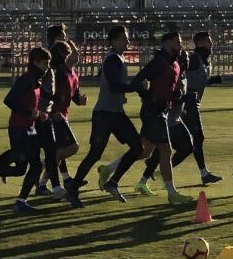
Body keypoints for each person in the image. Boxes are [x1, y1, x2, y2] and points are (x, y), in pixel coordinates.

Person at [103, 31, 194, 205]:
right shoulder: (159, 62)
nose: (179, 44)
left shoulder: (173, 63)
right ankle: (171, 192)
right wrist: (148, 95)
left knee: (145, 151)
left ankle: (110, 172)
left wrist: (177, 97)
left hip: (160, 111)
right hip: (153, 111)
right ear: (166, 43)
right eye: (176, 41)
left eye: (180, 41)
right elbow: (138, 81)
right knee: (166, 151)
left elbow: (170, 88)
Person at [65, 25, 147, 209]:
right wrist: (136, 87)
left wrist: (123, 94)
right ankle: (74, 188)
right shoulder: (113, 60)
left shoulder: (117, 58)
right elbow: (114, 86)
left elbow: (110, 83)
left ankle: (112, 182)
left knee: (137, 147)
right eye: (124, 38)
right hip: (105, 114)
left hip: (114, 112)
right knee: (95, 154)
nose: (127, 41)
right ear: (114, 41)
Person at [0, 46, 52, 213]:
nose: (47, 67)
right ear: (35, 62)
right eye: (44, 63)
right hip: (19, 128)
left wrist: (42, 113)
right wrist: (32, 113)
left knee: (20, 169)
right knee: (35, 165)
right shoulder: (26, 80)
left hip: (29, 128)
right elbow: (9, 101)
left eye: (48, 63)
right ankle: (20, 201)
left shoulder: (36, 80)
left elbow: (40, 100)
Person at [134, 48, 195, 196]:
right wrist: (184, 99)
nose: (185, 61)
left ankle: (147, 178)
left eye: (187, 58)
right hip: (165, 119)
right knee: (159, 152)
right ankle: (162, 183)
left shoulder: (182, 75)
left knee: (155, 152)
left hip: (173, 119)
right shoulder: (170, 74)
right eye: (183, 58)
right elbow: (169, 97)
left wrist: (183, 107)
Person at [43, 40, 87, 198]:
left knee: (59, 151)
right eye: (71, 52)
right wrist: (53, 110)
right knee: (72, 147)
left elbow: (74, 94)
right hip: (56, 115)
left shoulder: (73, 72)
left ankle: (43, 183)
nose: (76, 55)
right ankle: (45, 167)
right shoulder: (58, 71)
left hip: (64, 114)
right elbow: (50, 93)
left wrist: (80, 100)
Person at [180, 32, 223, 185]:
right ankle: (161, 169)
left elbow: (198, 80)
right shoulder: (194, 59)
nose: (211, 44)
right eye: (208, 41)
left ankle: (157, 169)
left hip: (194, 101)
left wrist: (211, 80)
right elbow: (185, 78)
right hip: (188, 101)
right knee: (195, 139)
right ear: (200, 43)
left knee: (190, 140)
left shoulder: (204, 59)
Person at [35, 24, 71, 195]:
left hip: (50, 111)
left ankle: (59, 183)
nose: (65, 38)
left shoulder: (56, 58)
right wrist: (54, 102)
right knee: (57, 149)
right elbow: (43, 88)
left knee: (54, 149)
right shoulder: (50, 59)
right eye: (63, 35)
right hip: (46, 112)